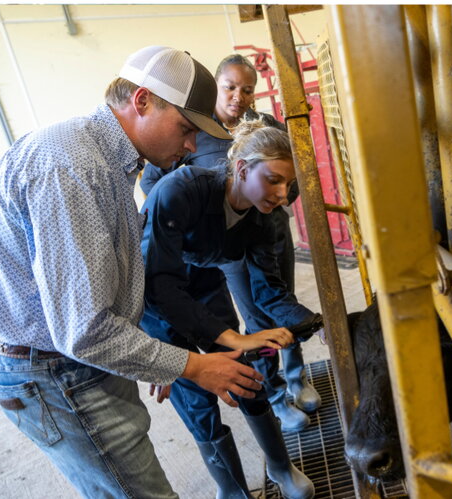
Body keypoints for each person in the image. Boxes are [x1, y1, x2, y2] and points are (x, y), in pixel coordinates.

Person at [0, 45, 270, 498]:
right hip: (58, 373)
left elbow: (105, 286)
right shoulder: (72, 166)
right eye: (186, 129)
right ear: (143, 100)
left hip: (76, 364)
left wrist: (144, 354)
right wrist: (193, 366)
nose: (191, 146)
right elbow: (85, 330)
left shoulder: (106, 160)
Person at [141, 55, 321, 430]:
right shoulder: (191, 146)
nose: (239, 96)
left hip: (256, 228)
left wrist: (320, 324)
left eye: (247, 89)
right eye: (230, 87)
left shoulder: (266, 129)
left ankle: (294, 378)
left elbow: (291, 180)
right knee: (245, 324)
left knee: (274, 298)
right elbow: (155, 183)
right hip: (203, 248)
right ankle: (272, 394)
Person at [141, 119, 315, 499]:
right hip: (157, 303)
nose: (284, 195)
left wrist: (316, 323)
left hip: (203, 283)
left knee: (245, 373)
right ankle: (233, 490)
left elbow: (268, 289)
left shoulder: (261, 218)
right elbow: (159, 285)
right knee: (196, 397)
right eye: (274, 180)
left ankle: (280, 465)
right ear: (241, 168)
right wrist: (231, 336)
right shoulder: (179, 190)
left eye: (288, 184)